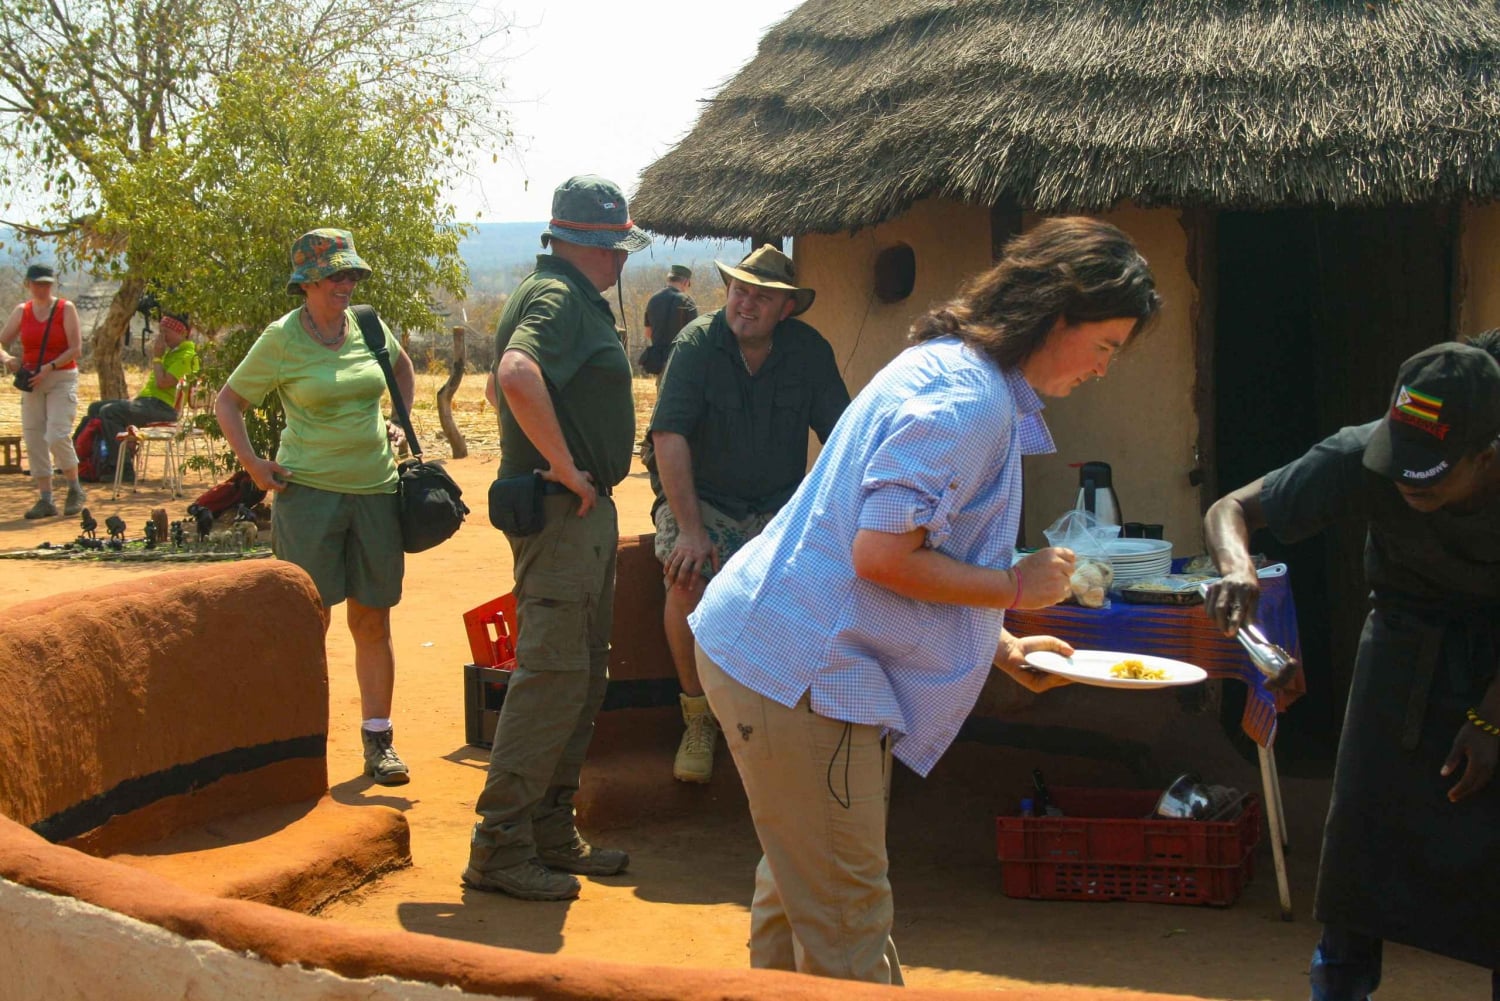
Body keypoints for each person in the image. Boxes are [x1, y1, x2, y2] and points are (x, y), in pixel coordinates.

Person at [689, 217, 1161, 983]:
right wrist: (1015, 586)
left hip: (775, 652)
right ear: (1056, 314)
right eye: (1105, 345)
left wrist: (1001, 643)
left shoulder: (951, 369)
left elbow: (903, 544)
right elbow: (880, 555)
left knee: (801, 893)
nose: (1106, 368)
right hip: (807, 674)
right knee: (845, 925)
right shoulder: (970, 404)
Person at [1203, 335, 1500, 1001]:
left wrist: (1490, 718)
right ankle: (1338, 985)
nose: (1404, 481)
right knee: (1361, 853)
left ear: (1486, 457)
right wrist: (1237, 565)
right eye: (1400, 462)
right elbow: (1230, 509)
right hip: (1402, 642)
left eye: (1432, 473)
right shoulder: (1360, 452)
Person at [464, 175, 650, 902]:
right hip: (561, 513)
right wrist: (565, 467)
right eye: (612, 247)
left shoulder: (560, 296)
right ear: (584, 243)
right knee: (550, 676)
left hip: (579, 513)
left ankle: (547, 825)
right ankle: (500, 842)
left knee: (582, 673)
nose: (618, 262)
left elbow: (497, 385)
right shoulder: (558, 298)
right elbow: (513, 373)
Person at [214, 228, 416, 786]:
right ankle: (299, 745)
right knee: (309, 618)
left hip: (376, 490)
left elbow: (401, 371)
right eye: (336, 275)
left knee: (373, 616)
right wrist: (254, 465)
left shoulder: (369, 327)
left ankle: (379, 742)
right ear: (307, 282)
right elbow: (228, 402)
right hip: (308, 495)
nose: (346, 284)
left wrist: (399, 420)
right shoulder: (281, 339)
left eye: (352, 274)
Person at [647, 245, 850, 784]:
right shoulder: (695, 345)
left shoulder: (810, 352)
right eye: (741, 291)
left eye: (763, 297)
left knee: (811, 590)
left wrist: (837, 521)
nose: (747, 304)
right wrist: (689, 530)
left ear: (787, 308)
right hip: (701, 498)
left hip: (779, 505)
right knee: (687, 577)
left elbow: (842, 441)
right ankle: (697, 717)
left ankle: (780, 720)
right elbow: (668, 437)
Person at [0, 264, 85, 519]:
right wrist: (7, 359)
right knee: (34, 436)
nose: (42, 288)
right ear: (28, 284)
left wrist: (49, 367)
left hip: (60, 377)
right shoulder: (22, 311)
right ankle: (45, 498)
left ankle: (74, 487)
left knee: (57, 434)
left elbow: (75, 349)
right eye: (38, 284)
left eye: (47, 284)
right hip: (32, 381)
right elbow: (2, 341)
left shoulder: (65, 309)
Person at [76, 311, 199, 480]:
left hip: (163, 408)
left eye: (166, 333)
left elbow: (163, 382)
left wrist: (157, 358)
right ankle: (81, 461)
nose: (162, 337)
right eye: (160, 332)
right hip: (148, 403)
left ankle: (123, 468)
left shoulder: (187, 356)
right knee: (95, 408)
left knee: (110, 412)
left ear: (182, 333)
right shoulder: (170, 353)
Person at [639, 263, 696, 382]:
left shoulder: (653, 300)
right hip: (681, 360)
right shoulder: (687, 301)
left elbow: (648, 333)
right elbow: (695, 335)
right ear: (685, 282)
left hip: (659, 362)